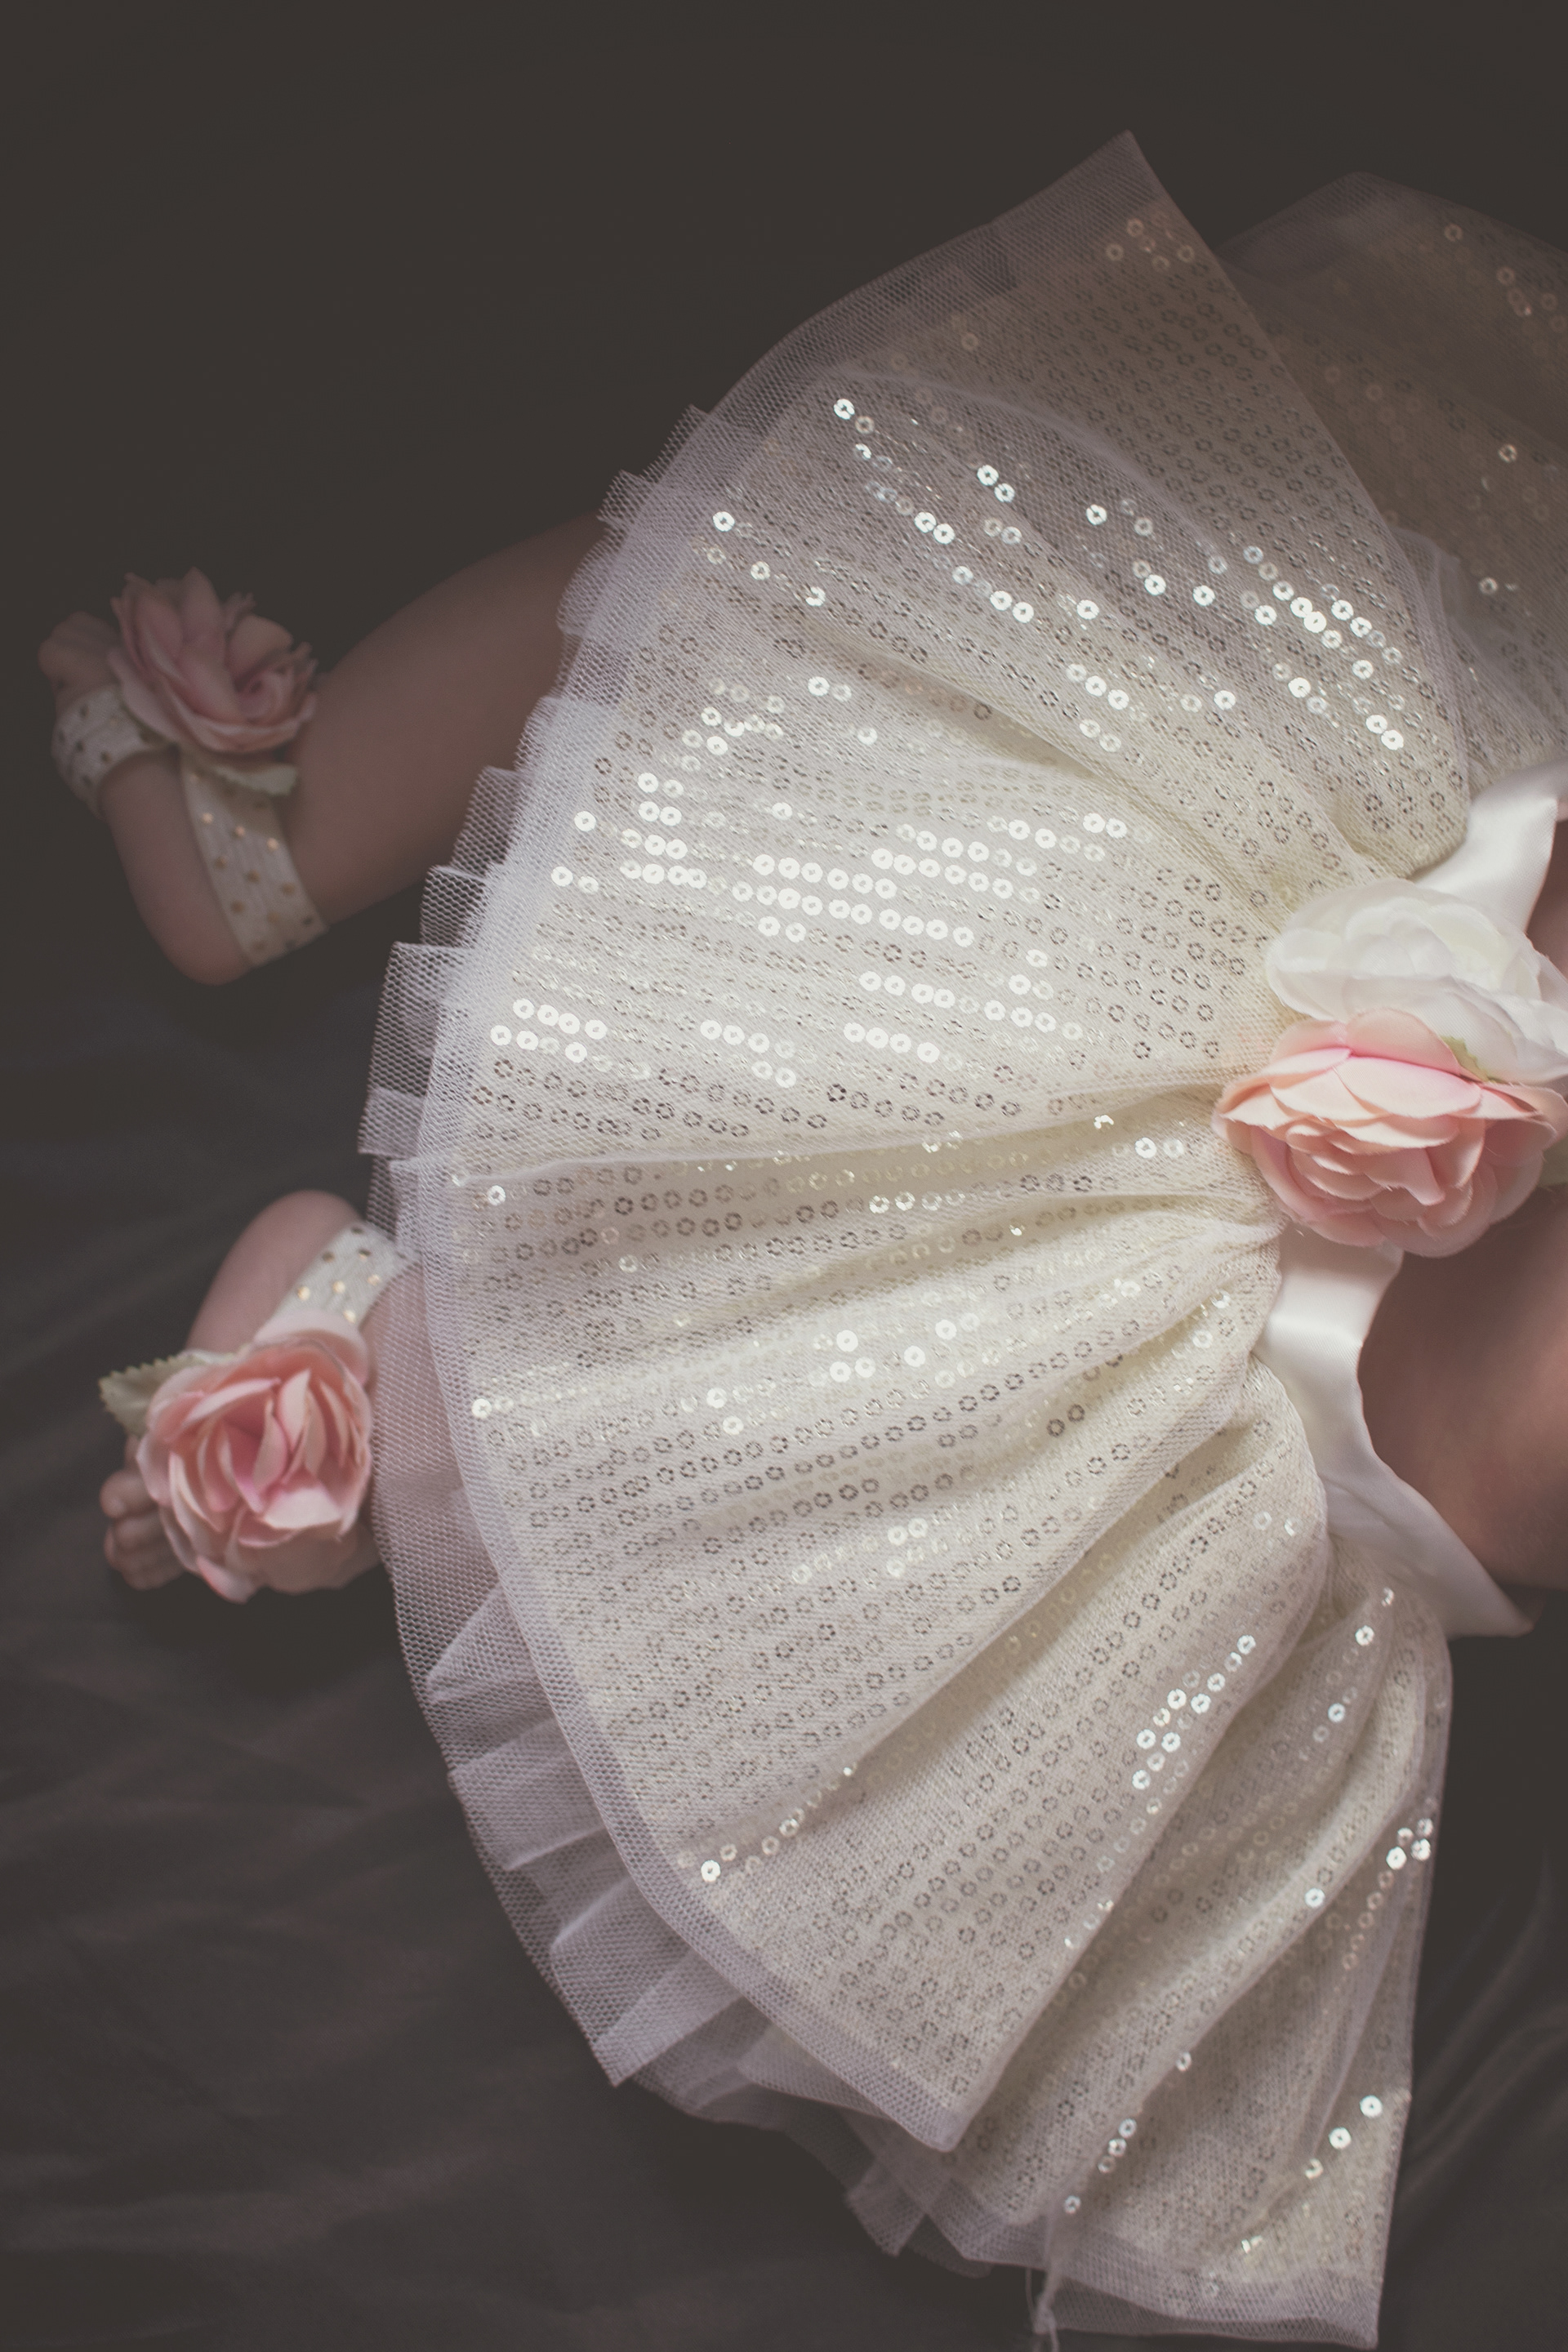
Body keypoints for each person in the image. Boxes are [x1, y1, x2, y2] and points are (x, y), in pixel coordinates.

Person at [40, 133, 1568, 2346]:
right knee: (870, 568)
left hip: (1183, 1381)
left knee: (807, 1445)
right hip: (1274, 916)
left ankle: (362, 1376)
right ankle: (281, 857)